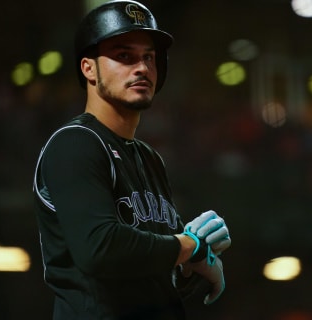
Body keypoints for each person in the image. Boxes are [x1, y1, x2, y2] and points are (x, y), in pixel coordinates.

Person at [32, 1, 231, 319]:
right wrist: (189, 245)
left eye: (148, 57)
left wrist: (194, 265)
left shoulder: (149, 158)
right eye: (124, 56)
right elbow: (100, 248)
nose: (141, 68)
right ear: (89, 68)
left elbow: (155, 271)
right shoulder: (75, 143)